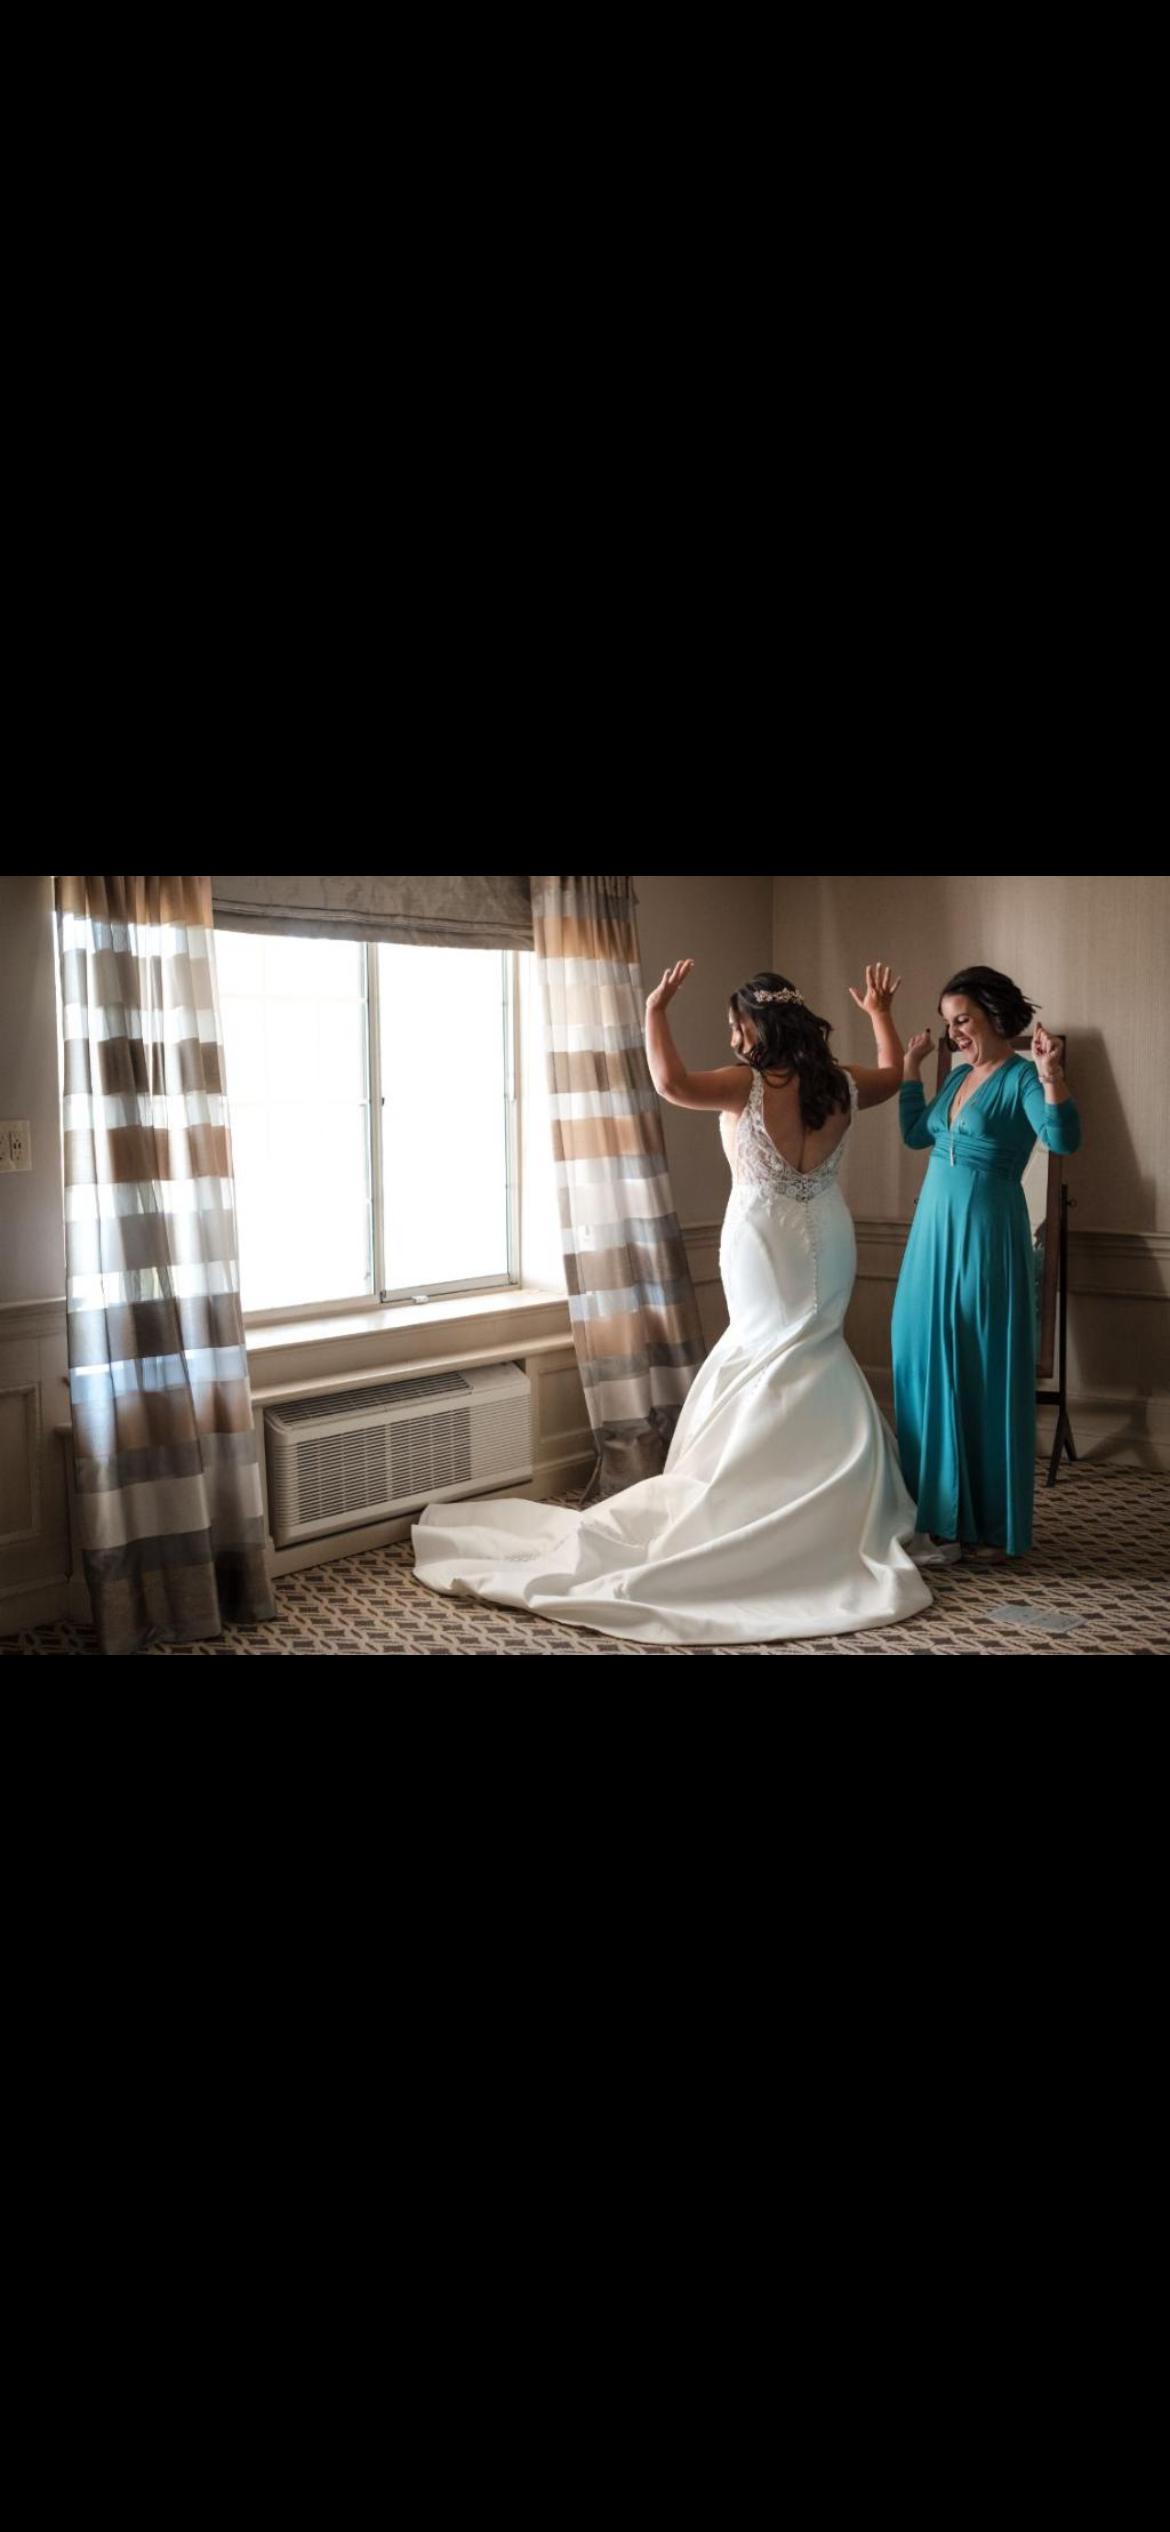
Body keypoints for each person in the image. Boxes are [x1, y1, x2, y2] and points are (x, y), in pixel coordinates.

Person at [409, 960, 931, 1645]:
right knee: (810, 1349)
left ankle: (749, 1499)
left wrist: (655, 1011)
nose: (734, 1036)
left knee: (762, 1350)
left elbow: (669, 1082)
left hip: (764, 1239)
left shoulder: (745, 1086)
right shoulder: (838, 1083)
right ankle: (826, 1504)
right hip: (828, 1236)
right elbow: (895, 1074)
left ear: (753, 1024)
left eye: (733, 1024)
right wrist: (880, 1015)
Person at [893, 965, 1081, 1563]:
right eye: (950, 1025)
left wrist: (1053, 1079)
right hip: (931, 1237)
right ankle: (937, 1513)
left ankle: (981, 1526)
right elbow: (916, 1135)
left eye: (963, 1021)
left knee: (977, 1366)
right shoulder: (957, 1079)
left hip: (984, 1238)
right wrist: (911, 1070)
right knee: (917, 1352)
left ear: (996, 1016)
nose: (955, 1035)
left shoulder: (1023, 1077)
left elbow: (1063, 1140)